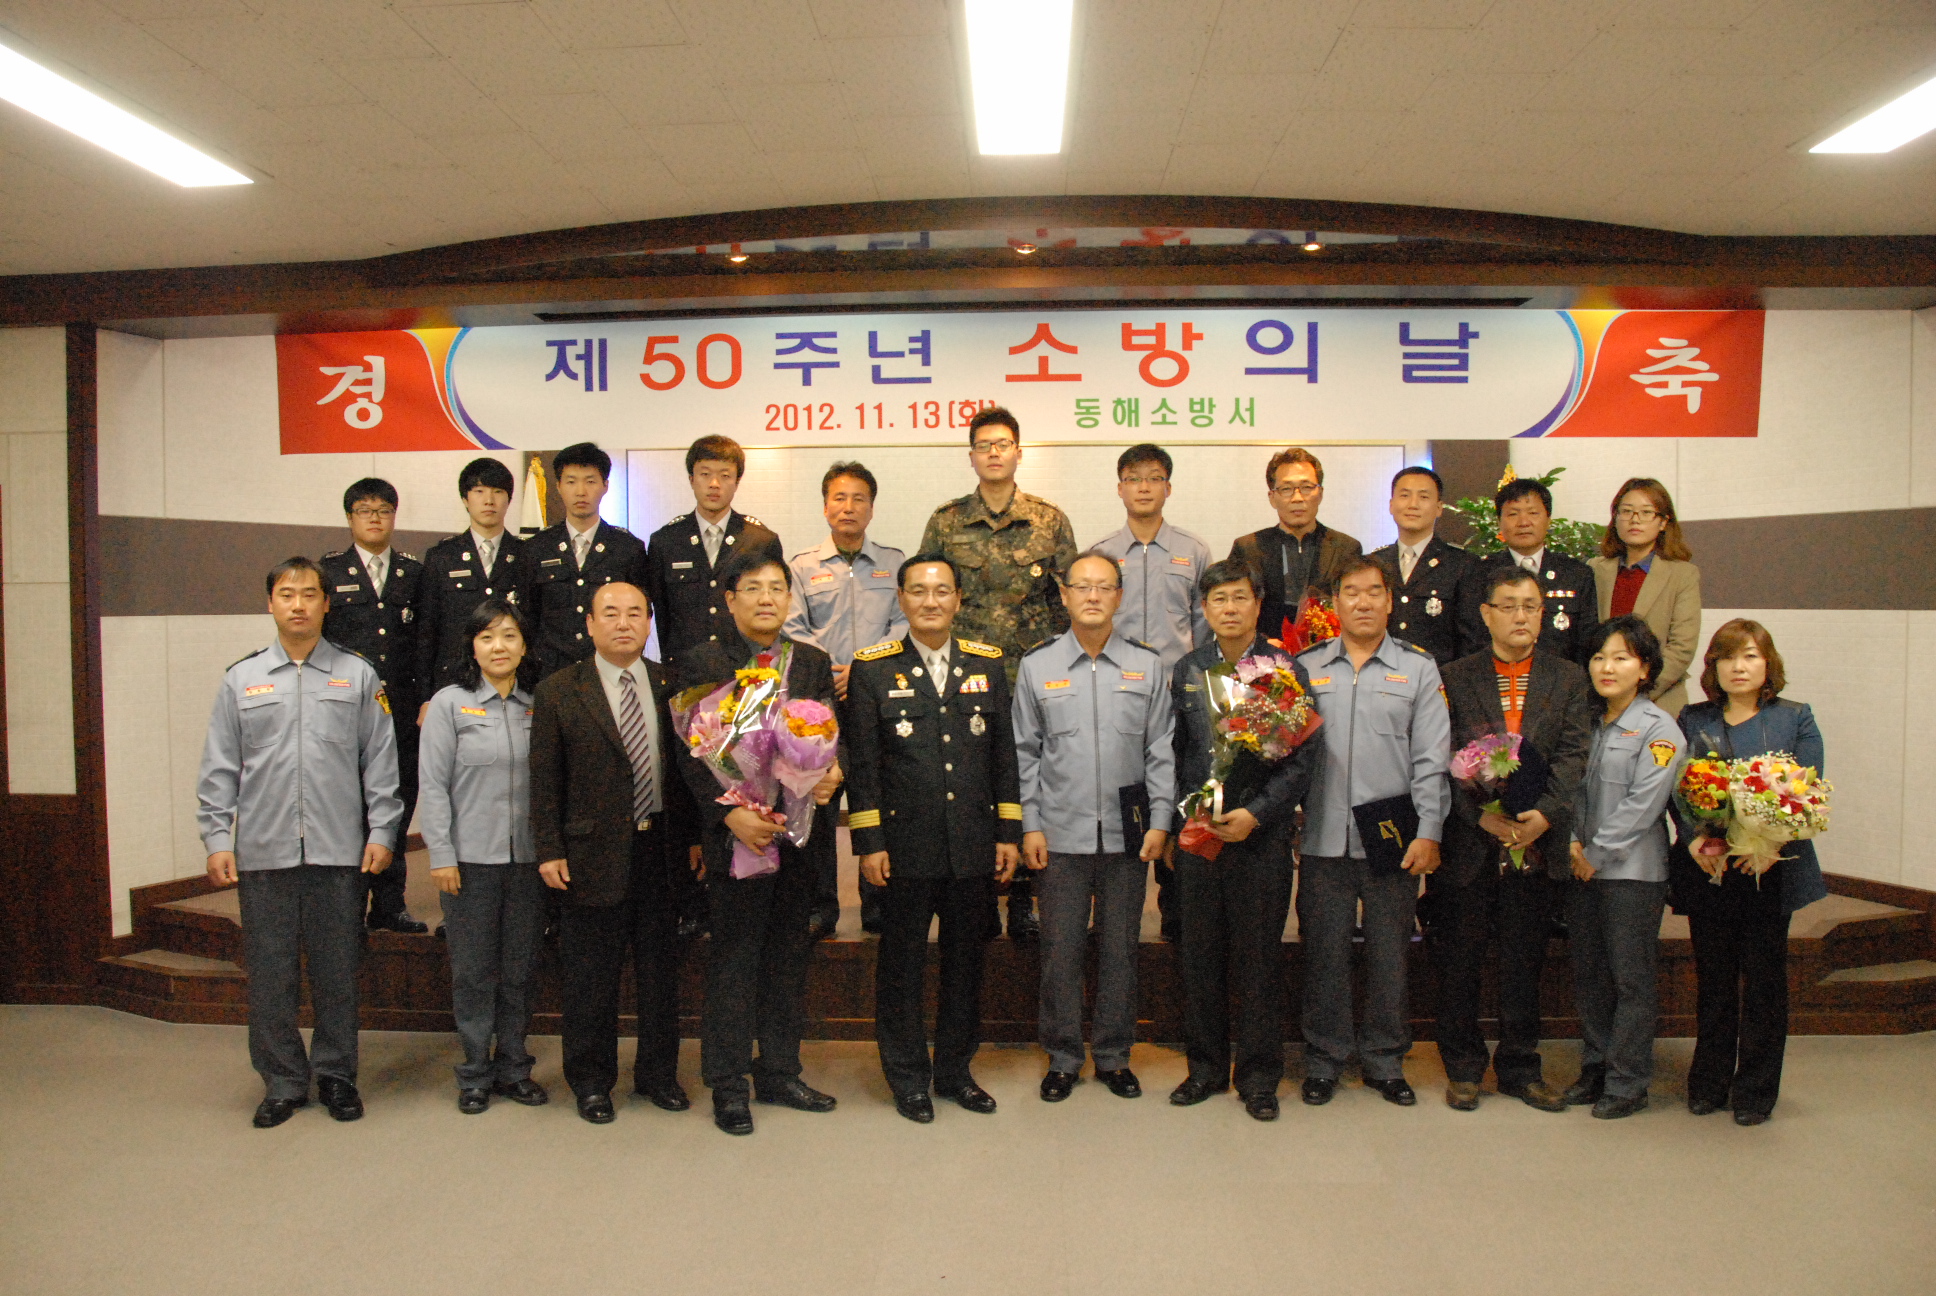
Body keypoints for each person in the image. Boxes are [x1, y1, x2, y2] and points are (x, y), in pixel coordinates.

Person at [196, 557, 401, 1128]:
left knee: (338, 973)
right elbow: (220, 766)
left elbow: (381, 763)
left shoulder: (358, 675)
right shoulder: (242, 679)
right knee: (271, 976)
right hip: (264, 853)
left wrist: (383, 831)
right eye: (287, 594)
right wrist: (217, 836)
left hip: (339, 852)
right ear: (270, 603)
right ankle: (283, 1080)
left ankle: (336, 1075)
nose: (298, 604)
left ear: (326, 604)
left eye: (310, 594)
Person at [672, 549, 843, 1136]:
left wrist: (833, 772)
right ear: (730, 599)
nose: (767, 597)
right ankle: (727, 1084)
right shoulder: (702, 661)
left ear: (789, 599)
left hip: (797, 835)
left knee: (788, 955)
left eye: (777, 587)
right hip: (737, 837)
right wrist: (729, 816)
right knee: (735, 959)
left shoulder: (811, 661)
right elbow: (689, 754)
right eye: (753, 587)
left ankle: (779, 1072)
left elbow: (828, 731)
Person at [844, 554, 1021, 1123]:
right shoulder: (873, 668)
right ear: (901, 599)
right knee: (901, 967)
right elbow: (863, 764)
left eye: (942, 590)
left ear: (959, 599)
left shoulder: (987, 663)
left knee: (965, 965)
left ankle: (954, 1072)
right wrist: (869, 842)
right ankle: (907, 1077)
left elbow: (1003, 755)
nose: (930, 601)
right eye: (918, 591)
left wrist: (1007, 832)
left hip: (971, 845)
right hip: (903, 849)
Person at [530, 581, 698, 1125]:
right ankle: (591, 1081)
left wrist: (695, 837)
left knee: (660, 975)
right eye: (610, 614)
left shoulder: (672, 684)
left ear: (649, 623)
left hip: (661, 849)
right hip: (589, 854)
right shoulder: (559, 689)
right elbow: (544, 780)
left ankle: (658, 1076)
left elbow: (690, 771)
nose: (623, 623)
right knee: (590, 977)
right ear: (589, 624)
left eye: (634, 614)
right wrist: (549, 848)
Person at [1013, 550, 1175, 1103]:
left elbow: (1160, 750)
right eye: (1081, 586)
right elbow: (1025, 753)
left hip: (1130, 836)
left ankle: (1113, 1055)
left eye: (1104, 587)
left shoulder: (1147, 665)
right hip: (1059, 834)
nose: (1092, 596)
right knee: (1060, 952)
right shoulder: (1037, 666)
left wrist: (1161, 820)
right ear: (1064, 595)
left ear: (1119, 597)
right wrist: (1030, 825)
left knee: (1120, 950)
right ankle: (1062, 1057)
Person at [1430, 567, 1592, 1113]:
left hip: (1537, 843)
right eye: (1509, 605)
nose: (1520, 616)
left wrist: (1544, 816)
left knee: (1524, 962)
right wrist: (1479, 818)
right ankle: (1464, 1068)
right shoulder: (1455, 676)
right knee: (1461, 960)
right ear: (1486, 614)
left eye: (1530, 606)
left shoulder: (1567, 677)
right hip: (1470, 843)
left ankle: (1521, 1067)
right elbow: (1440, 755)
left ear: (1542, 615)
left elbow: (1573, 754)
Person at [1294, 555, 1449, 1108]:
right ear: (1335, 604)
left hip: (1394, 839)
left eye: (1373, 592)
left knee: (1390, 956)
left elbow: (1431, 757)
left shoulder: (1418, 668)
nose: (1363, 602)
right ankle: (1325, 1060)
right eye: (1351, 593)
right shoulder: (1305, 667)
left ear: (1390, 601)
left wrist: (1429, 830)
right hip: (1322, 836)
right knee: (1325, 956)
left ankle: (1385, 1060)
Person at [1166, 558, 1317, 1121]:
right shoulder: (1188, 669)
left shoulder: (1284, 671)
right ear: (1204, 609)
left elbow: (1301, 761)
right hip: (1199, 838)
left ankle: (1258, 1077)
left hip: (1260, 839)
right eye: (1218, 600)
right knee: (1199, 957)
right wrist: (1184, 816)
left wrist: (1258, 812)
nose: (1228, 609)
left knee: (1258, 961)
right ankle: (1204, 1069)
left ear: (1257, 604)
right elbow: (1175, 754)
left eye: (1238, 598)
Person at [920, 406, 1077, 941]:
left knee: (1028, 779)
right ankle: (979, 897)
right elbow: (927, 595)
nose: (993, 452)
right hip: (961, 679)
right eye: (984, 444)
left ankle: (1027, 899)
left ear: (1018, 452)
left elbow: (1066, 602)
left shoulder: (1048, 520)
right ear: (971, 456)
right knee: (969, 782)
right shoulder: (946, 521)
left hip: (1031, 677)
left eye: (1003, 443)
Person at [1671, 620, 1826, 1126]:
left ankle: (1756, 1090)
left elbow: (1807, 791)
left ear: (1767, 664)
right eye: (1727, 657)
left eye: (1751, 656)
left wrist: (1769, 843)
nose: (1739, 667)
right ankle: (1709, 1082)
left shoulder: (1795, 718)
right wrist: (1695, 837)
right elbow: (1676, 788)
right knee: (1713, 978)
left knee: (1763, 981)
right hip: (1712, 864)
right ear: (1713, 666)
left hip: (1768, 869)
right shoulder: (1693, 718)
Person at [417, 598, 546, 1114]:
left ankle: (514, 1067)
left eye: (509, 635)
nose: (499, 646)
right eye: (487, 636)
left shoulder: (539, 703)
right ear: (472, 646)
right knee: (473, 972)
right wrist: (440, 854)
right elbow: (433, 785)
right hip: (468, 862)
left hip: (529, 861)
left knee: (520, 970)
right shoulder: (449, 704)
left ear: (524, 645)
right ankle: (474, 1072)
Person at [1091, 443, 1213, 943]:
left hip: (1177, 699)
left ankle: (1176, 909)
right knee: (1117, 792)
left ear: (1168, 487)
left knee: (1176, 794)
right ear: (1120, 488)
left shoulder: (1193, 550)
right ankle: (1113, 911)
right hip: (1116, 698)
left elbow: (1204, 626)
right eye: (1134, 478)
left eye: (1154, 477)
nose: (1144, 487)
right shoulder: (1101, 554)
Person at [1564, 615, 1683, 1120]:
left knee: (1630, 979)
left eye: (1621, 657)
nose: (1606, 667)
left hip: (1631, 874)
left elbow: (1643, 806)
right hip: (1579, 867)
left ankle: (1628, 1080)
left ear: (1645, 668)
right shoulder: (1583, 721)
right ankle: (1595, 1067)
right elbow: (1567, 787)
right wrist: (1571, 843)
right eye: (1598, 657)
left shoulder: (1660, 730)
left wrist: (1595, 854)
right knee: (1590, 975)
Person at [782, 461, 904, 939]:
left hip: (877, 699)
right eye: (839, 497)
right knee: (820, 801)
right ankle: (820, 906)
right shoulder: (802, 565)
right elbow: (793, 626)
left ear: (871, 508)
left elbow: (903, 621)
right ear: (825, 506)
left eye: (859, 498)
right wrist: (830, 669)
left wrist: (866, 666)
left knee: (877, 796)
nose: (848, 507)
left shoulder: (894, 562)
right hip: (823, 700)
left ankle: (878, 902)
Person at [320, 478, 427, 934]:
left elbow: (425, 641)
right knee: (348, 809)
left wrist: (426, 698)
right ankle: (346, 906)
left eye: (383, 510)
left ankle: (389, 905)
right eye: (365, 510)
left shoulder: (414, 573)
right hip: (347, 712)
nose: (375, 518)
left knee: (396, 806)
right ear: (350, 518)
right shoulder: (328, 572)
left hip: (401, 711)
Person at [645, 434, 782, 660]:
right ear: (691, 479)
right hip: (684, 668)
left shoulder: (760, 540)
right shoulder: (665, 541)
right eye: (705, 474)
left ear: (737, 482)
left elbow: (772, 609)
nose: (714, 484)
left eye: (725, 476)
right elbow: (661, 612)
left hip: (746, 668)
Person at [526, 442, 650, 681]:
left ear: (605, 486)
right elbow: (528, 617)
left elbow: (641, 615)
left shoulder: (627, 548)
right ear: (558, 486)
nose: (581, 491)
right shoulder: (536, 548)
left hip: (612, 672)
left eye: (590, 481)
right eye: (571, 481)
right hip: (551, 675)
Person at [416, 457, 529, 699]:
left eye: (497, 491)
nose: (489, 500)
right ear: (465, 499)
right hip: (454, 683)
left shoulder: (526, 554)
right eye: (479, 491)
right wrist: (426, 697)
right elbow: (427, 633)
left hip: (513, 684)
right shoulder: (442, 557)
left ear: (509, 499)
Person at [1227, 447, 1363, 647]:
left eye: (1306, 487)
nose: (1297, 498)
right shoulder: (1248, 548)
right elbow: (1234, 607)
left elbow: (1356, 608)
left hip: (1329, 654)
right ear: (1272, 497)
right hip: (1263, 655)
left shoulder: (1346, 548)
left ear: (1320, 493)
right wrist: (1258, 644)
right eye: (1286, 489)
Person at [1588, 477, 1702, 715]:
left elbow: (1681, 647)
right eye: (1626, 511)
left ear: (1663, 522)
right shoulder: (1595, 569)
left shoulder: (1682, 574)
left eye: (1646, 512)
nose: (1635, 519)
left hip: (1658, 700)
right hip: (1599, 701)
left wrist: (1636, 692)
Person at [1460, 475, 1598, 666]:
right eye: (1513, 514)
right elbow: (1470, 639)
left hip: (1560, 679)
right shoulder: (1478, 573)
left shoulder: (1576, 574)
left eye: (1533, 513)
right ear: (1499, 522)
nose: (1523, 522)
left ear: (1548, 520)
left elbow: (1587, 642)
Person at [1367, 465, 1477, 667]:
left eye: (1424, 497)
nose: (1413, 504)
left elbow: (1471, 642)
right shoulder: (1373, 564)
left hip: (1439, 679)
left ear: (1439, 508)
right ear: (1391, 505)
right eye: (1405, 495)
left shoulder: (1462, 565)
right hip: (1379, 677)